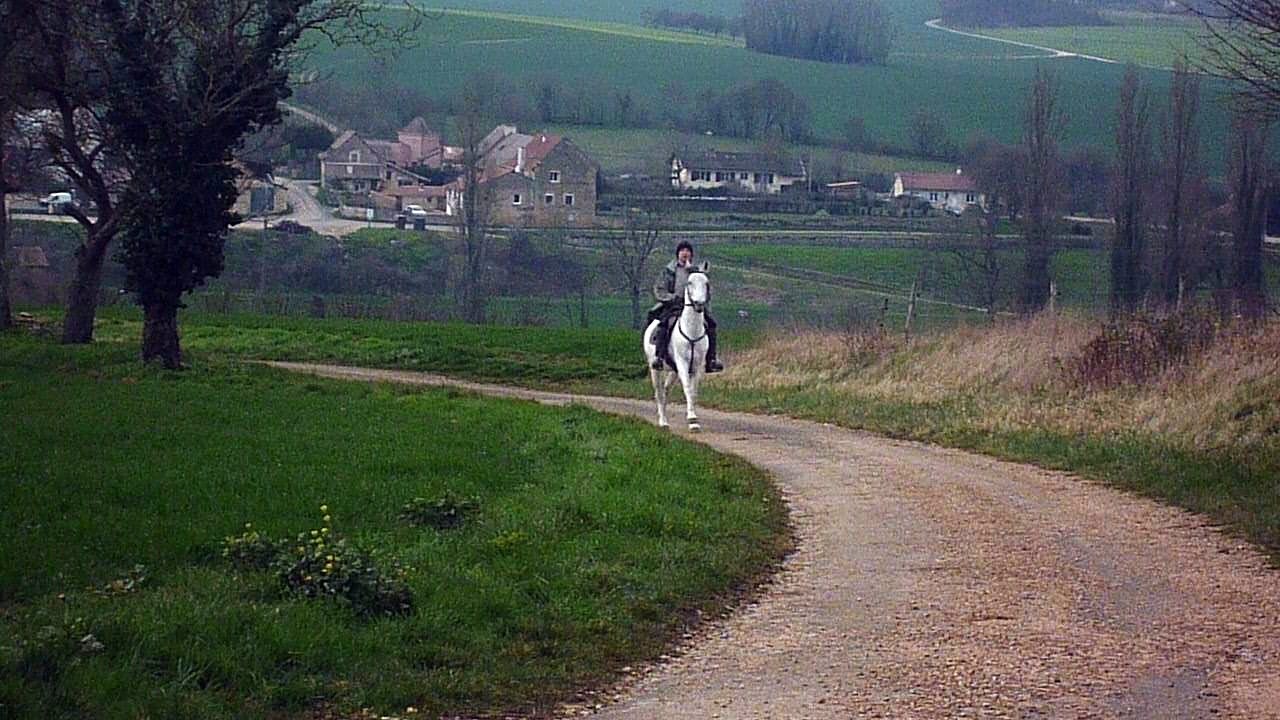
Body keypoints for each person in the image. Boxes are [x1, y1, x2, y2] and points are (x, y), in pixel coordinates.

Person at [647, 240, 723, 373]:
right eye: (682, 250)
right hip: (674, 306)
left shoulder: (697, 273)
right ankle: (659, 357)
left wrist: (701, 301)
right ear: (678, 254)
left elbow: (706, 290)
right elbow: (660, 289)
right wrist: (671, 298)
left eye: (688, 251)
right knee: (664, 324)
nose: (685, 253)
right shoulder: (669, 270)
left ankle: (711, 359)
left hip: (694, 307)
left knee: (711, 325)